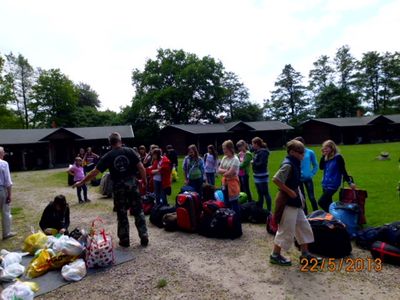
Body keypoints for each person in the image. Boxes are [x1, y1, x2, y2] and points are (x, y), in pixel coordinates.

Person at [74, 132, 149, 247]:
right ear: (120, 140)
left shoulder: (108, 156)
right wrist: (144, 181)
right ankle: (144, 235)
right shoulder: (130, 151)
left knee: (122, 214)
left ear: (110, 143)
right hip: (132, 186)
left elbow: (95, 172)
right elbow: (141, 167)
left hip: (119, 189)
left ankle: (124, 240)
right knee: (138, 211)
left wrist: (82, 182)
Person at [270, 140, 320, 266]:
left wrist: (299, 196)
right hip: (287, 202)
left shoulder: (295, 162)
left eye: (303, 153)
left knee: (304, 227)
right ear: (292, 152)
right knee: (285, 230)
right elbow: (276, 179)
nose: (303, 155)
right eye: (300, 153)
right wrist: (289, 191)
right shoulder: (288, 164)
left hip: (295, 202)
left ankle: (305, 254)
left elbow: (294, 182)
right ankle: (275, 255)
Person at [318, 140, 356, 212]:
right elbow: (321, 167)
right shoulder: (326, 157)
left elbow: (343, 171)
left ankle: (334, 216)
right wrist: (323, 156)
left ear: (332, 148)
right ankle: (332, 220)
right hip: (325, 184)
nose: (324, 149)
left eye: (326, 148)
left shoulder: (338, 157)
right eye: (324, 148)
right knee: (328, 203)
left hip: (333, 184)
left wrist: (350, 182)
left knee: (321, 202)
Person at [294, 137, 318, 214]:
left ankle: (316, 212)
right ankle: (305, 214)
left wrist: (311, 173)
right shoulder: (295, 153)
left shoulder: (310, 152)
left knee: (311, 197)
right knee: (302, 198)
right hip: (298, 179)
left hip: (308, 178)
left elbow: (315, 164)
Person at [218, 140, 241, 216]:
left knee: (234, 202)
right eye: (223, 149)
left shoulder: (235, 159)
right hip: (225, 183)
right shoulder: (224, 158)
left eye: (225, 148)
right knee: (226, 202)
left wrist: (224, 172)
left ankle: (236, 219)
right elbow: (219, 170)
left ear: (230, 148)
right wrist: (227, 170)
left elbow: (231, 172)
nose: (223, 150)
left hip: (233, 183)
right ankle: (228, 219)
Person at [251, 137, 272, 211]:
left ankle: (269, 210)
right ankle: (260, 209)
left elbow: (262, 163)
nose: (252, 145)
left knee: (265, 193)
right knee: (259, 193)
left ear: (256, 144)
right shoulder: (257, 152)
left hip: (262, 175)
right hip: (256, 175)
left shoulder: (263, 152)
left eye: (253, 144)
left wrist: (253, 163)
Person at [0, 147, 16, 240]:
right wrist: (9, 194)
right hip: (1, 189)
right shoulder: (4, 163)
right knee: (5, 212)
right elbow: (8, 181)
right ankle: (6, 233)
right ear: (1, 153)